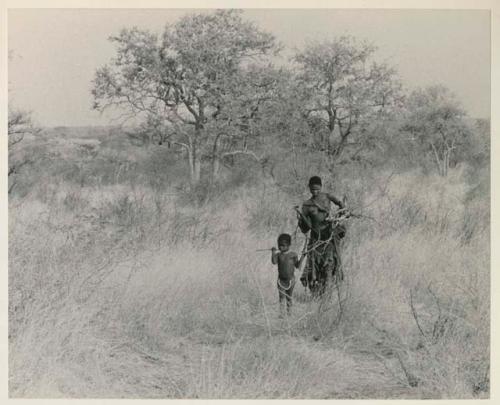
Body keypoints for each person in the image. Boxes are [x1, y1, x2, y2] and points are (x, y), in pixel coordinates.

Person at [295, 176, 347, 292]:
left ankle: (328, 292)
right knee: (314, 267)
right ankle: (316, 293)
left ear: (321, 187)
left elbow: (340, 204)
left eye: (317, 189)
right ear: (309, 188)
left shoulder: (327, 196)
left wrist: (341, 213)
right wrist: (300, 220)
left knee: (330, 264)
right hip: (315, 240)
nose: (315, 192)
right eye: (313, 189)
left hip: (329, 237)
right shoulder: (307, 205)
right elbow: (305, 229)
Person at [271, 233, 305, 316]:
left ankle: (289, 313)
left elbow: (298, 266)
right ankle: (282, 314)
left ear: (289, 245)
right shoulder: (278, 255)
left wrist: (303, 257)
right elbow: (274, 262)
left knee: (289, 297)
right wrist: (273, 252)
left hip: (291, 280)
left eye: (283, 245)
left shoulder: (293, 255)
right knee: (281, 297)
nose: (280, 247)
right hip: (281, 281)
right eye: (279, 245)